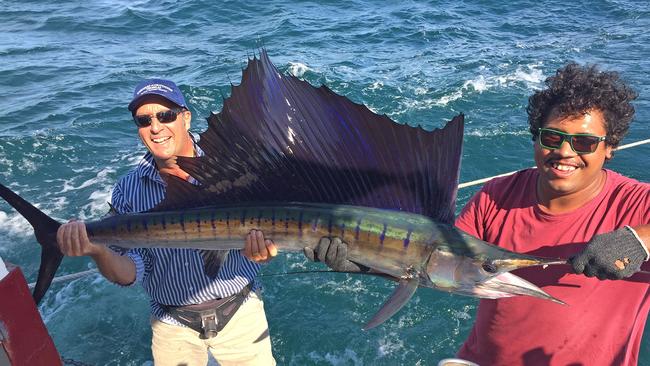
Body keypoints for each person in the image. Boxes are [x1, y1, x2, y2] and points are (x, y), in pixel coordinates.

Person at [310, 63, 649, 365]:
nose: (564, 151)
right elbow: (436, 265)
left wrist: (640, 240)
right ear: (536, 138)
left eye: (585, 143)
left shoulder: (636, 203)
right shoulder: (497, 195)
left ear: (610, 147)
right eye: (552, 137)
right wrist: (365, 261)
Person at [57, 79, 278, 366]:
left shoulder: (232, 171)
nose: (156, 127)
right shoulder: (128, 190)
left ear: (186, 117)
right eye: (144, 120)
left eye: (166, 115)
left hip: (240, 312)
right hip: (172, 324)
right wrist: (97, 250)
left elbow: (265, 242)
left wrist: (260, 254)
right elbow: (129, 271)